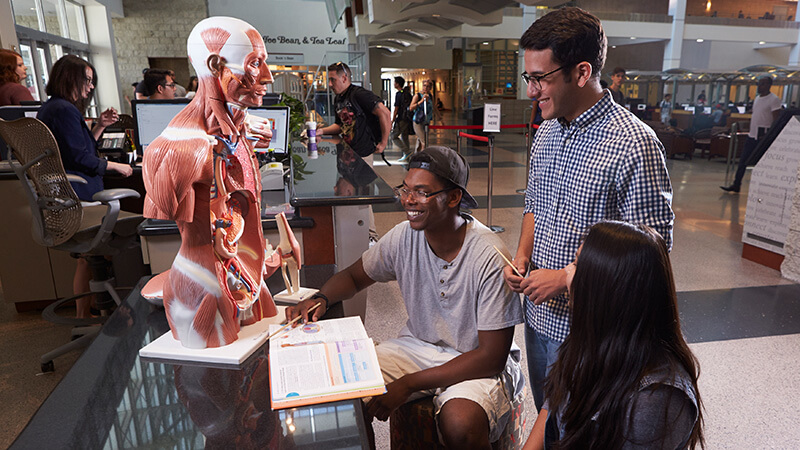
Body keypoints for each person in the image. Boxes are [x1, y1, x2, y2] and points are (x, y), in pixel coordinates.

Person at [287, 146, 525, 448]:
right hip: (417, 347)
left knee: (460, 423)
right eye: (406, 189)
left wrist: (409, 383)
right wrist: (321, 298)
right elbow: (353, 276)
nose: (409, 200)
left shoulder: (488, 255)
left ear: (453, 198)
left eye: (422, 192)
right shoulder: (404, 236)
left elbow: (492, 358)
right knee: (345, 393)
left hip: (474, 361)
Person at [505, 7, 675, 411]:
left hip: (592, 330)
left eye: (540, 79)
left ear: (581, 72)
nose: (531, 91)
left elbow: (650, 252)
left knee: (580, 428)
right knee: (549, 419)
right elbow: (536, 201)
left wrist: (565, 278)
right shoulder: (546, 131)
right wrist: (523, 255)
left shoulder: (634, 143)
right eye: (529, 77)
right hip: (538, 318)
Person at [522, 221, 704, 450]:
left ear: (607, 290)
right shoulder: (589, 340)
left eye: (577, 265)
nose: (567, 274)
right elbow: (552, 404)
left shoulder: (655, 400)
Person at [37, 55, 134, 318]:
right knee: (137, 228)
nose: (91, 87)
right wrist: (116, 167)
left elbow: (77, 151)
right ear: (69, 77)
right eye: (87, 80)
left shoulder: (52, 108)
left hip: (65, 200)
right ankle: (120, 312)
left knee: (86, 258)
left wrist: (100, 126)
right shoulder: (65, 110)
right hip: (82, 197)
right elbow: (80, 159)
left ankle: (83, 318)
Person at [318, 61, 391, 243]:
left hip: (362, 155)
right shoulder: (339, 98)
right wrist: (322, 131)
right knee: (345, 194)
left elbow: (385, 113)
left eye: (333, 79)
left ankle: (371, 237)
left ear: (344, 78)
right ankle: (354, 234)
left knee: (363, 197)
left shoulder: (359, 95)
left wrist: (383, 142)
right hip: (347, 155)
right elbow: (340, 124)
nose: (330, 84)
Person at [721, 76, 782, 193]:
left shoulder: (774, 99)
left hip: (763, 136)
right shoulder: (757, 98)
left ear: (769, 85)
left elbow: (776, 119)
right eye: (759, 83)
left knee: (763, 164)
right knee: (743, 160)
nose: (759, 86)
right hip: (752, 135)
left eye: (762, 84)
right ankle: (736, 184)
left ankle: (764, 187)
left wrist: (769, 135)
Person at [390, 76, 412, 162]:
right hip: (407, 118)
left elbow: (396, 108)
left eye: (395, 82)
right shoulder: (407, 93)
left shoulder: (399, 94)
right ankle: (407, 156)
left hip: (401, 118)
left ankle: (407, 151)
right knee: (404, 136)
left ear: (398, 84)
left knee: (394, 136)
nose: (394, 84)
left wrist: (393, 120)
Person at [409, 79, 434, 153]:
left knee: (420, 140)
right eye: (424, 85)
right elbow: (411, 107)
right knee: (424, 141)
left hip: (426, 121)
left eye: (428, 86)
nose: (426, 88)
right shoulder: (418, 96)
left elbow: (434, 107)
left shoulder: (430, 96)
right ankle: (423, 156)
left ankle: (417, 154)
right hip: (418, 121)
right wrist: (421, 101)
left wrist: (440, 119)